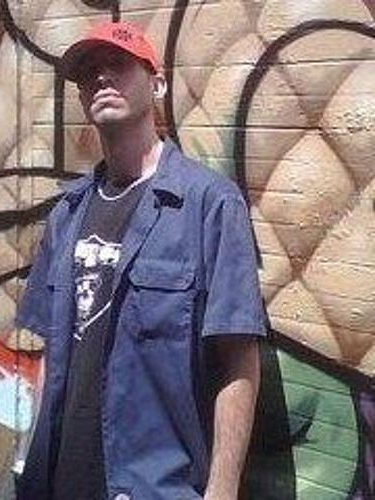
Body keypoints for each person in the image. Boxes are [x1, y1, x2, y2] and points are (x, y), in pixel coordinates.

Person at [15, 20, 266, 500]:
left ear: (158, 84)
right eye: (88, 71)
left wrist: (223, 489)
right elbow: (52, 347)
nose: (101, 77)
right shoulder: (67, 212)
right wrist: (29, 456)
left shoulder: (209, 205)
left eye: (118, 63)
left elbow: (238, 359)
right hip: (57, 480)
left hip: (153, 486)